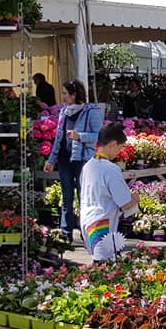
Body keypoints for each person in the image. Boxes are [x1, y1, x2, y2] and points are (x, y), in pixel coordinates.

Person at [42, 80, 104, 240]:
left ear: (74, 95)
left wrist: (80, 136)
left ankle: (86, 233)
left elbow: (99, 136)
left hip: (83, 160)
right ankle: (65, 234)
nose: (62, 97)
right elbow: (58, 138)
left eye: (65, 93)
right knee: (66, 197)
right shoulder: (63, 112)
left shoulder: (90, 112)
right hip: (64, 160)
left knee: (84, 197)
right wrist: (51, 159)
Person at [80, 122, 139, 260]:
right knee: (104, 268)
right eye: (119, 148)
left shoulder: (88, 165)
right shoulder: (110, 169)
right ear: (112, 144)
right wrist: (135, 198)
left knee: (100, 262)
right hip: (102, 224)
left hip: (88, 220)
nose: (119, 152)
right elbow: (125, 203)